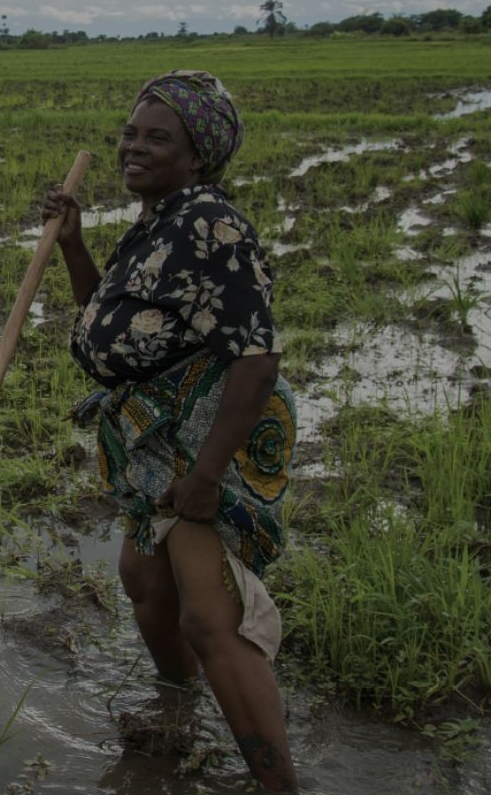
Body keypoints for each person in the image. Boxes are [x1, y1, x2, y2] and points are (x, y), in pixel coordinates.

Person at [43, 70, 299, 792]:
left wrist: (209, 473)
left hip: (198, 439)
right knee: (143, 580)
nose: (134, 147)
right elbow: (108, 316)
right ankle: (178, 707)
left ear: (198, 156)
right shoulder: (156, 222)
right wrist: (72, 242)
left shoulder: (211, 223)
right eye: (131, 132)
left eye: (159, 137)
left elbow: (256, 356)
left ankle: (280, 785)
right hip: (148, 441)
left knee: (211, 617)